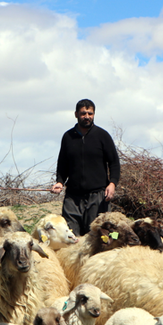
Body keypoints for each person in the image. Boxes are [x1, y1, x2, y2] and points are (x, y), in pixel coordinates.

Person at [50, 99, 121, 236]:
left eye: (90, 113)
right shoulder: (68, 137)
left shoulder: (103, 136)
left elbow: (114, 163)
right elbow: (62, 164)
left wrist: (112, 184)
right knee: (71, 237)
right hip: (73, 197)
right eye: (83, 113)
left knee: (96, 237)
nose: (87, 117)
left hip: (98, 196)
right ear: (76, 114)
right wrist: (60, 182)